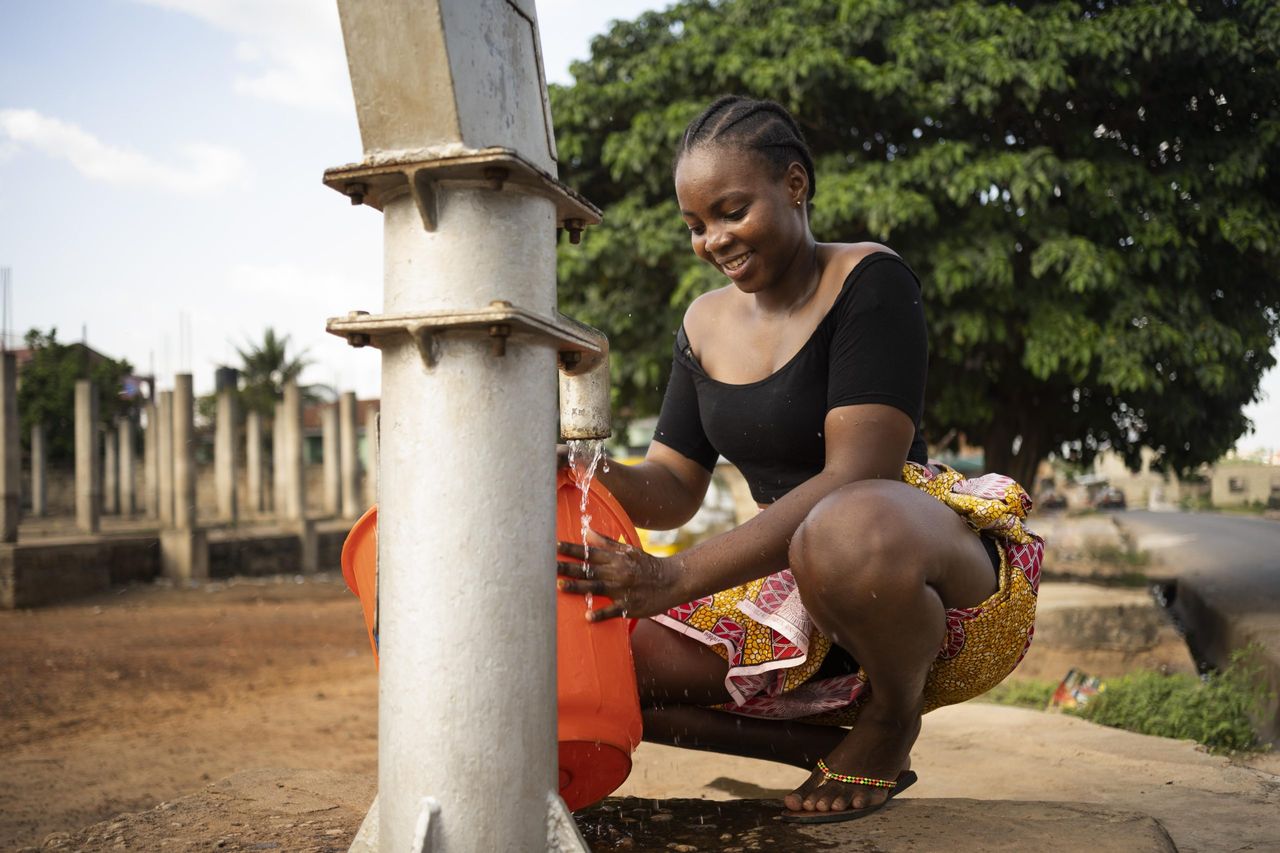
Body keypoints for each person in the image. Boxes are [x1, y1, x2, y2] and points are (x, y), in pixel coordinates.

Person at [557, 95, 1044, 823]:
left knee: (838, 526)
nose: (713, 239)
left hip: (900, 564)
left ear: (794, 185)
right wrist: (576, 462)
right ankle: (818, 748)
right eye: (695, 225)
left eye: (731, 211)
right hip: (783, 582)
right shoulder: (702, 322)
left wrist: (674, 576)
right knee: (598, 665)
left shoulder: (869, 279)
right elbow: (673, 487)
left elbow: (859, 472)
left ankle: (890, 720)